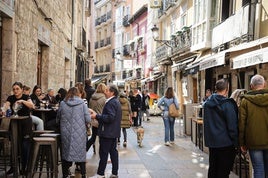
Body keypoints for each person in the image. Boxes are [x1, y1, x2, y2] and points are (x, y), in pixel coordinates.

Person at [203, 78, 238, 178]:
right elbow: (232, 126)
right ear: (227, 89)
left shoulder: (207, 104)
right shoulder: (227, 104)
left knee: (213, 170)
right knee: (223, 172)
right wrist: (236, 142)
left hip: (213, 143)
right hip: (226, 144)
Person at [57, 87, 91, 178]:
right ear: (78, 94)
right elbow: (88, 119)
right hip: (79, 133)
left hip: (65, 132)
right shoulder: (82, 104)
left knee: (65, 152)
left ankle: (65, 173)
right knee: (80, 152)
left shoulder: (63, 103)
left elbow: (58, 117)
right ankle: (83, 173)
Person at [239, 74, 268, 178]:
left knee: (258, 169)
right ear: (264, 85)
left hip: (253, 141)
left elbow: (242, 124)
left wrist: (242, 143)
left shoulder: (245, 101)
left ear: (251, 86)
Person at [90, 84, 121, 178]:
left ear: (112, 92)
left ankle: (100, 174)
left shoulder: (111, 103)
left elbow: (110, 118)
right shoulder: (116, 102)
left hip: (107, 132)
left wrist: (96, 116)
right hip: (113, 132)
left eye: (107, 90)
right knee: (113, 152)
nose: (105, 92)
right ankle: (114, 173)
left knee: (104, 153)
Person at [3, 82, 35, 175]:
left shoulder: (26, 97)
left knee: (25, 146)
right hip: (14, 124)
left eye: (17, 89)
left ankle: (24, 168)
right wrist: (3, 110)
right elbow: (6, 105)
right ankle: (13, 167)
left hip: (26, 124)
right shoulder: (11, 98)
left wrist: (22, 101)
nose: (15, 91)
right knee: (14, 145)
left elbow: (32, 105)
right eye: (14, 89)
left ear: (21, 89)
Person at [87, 83, 106, 153]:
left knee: (93, 137)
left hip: (93, 120)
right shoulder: (104, 98)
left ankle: (84, 150)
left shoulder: (92, 98)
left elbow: (89, 108)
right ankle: (102, 153)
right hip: (101, 119)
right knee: (102, 138)